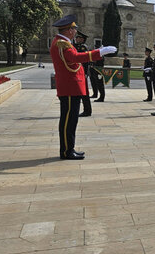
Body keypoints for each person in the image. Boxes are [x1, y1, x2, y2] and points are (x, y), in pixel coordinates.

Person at [48, 15, 115, 159]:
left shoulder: (63, 42)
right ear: (68, 30)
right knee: (68, 120)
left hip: (71, 86)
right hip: (70, 86)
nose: (75, 31)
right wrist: (100, 52)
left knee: (71, 120)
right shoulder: (62, 43)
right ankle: (66, 151)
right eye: (74, 28)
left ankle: (69, 148)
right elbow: (76, 58)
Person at [73, 32, 92, 117]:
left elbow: (85, 61)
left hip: (82, 73)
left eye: (78, 38)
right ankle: (86, 110)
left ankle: (87, 110)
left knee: (84, 92)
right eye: (76, 37)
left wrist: (84, 73)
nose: (76, 39)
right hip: (77, 72)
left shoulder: (83, 47)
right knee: (80, 92)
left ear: (82, 39)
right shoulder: (76, 46)